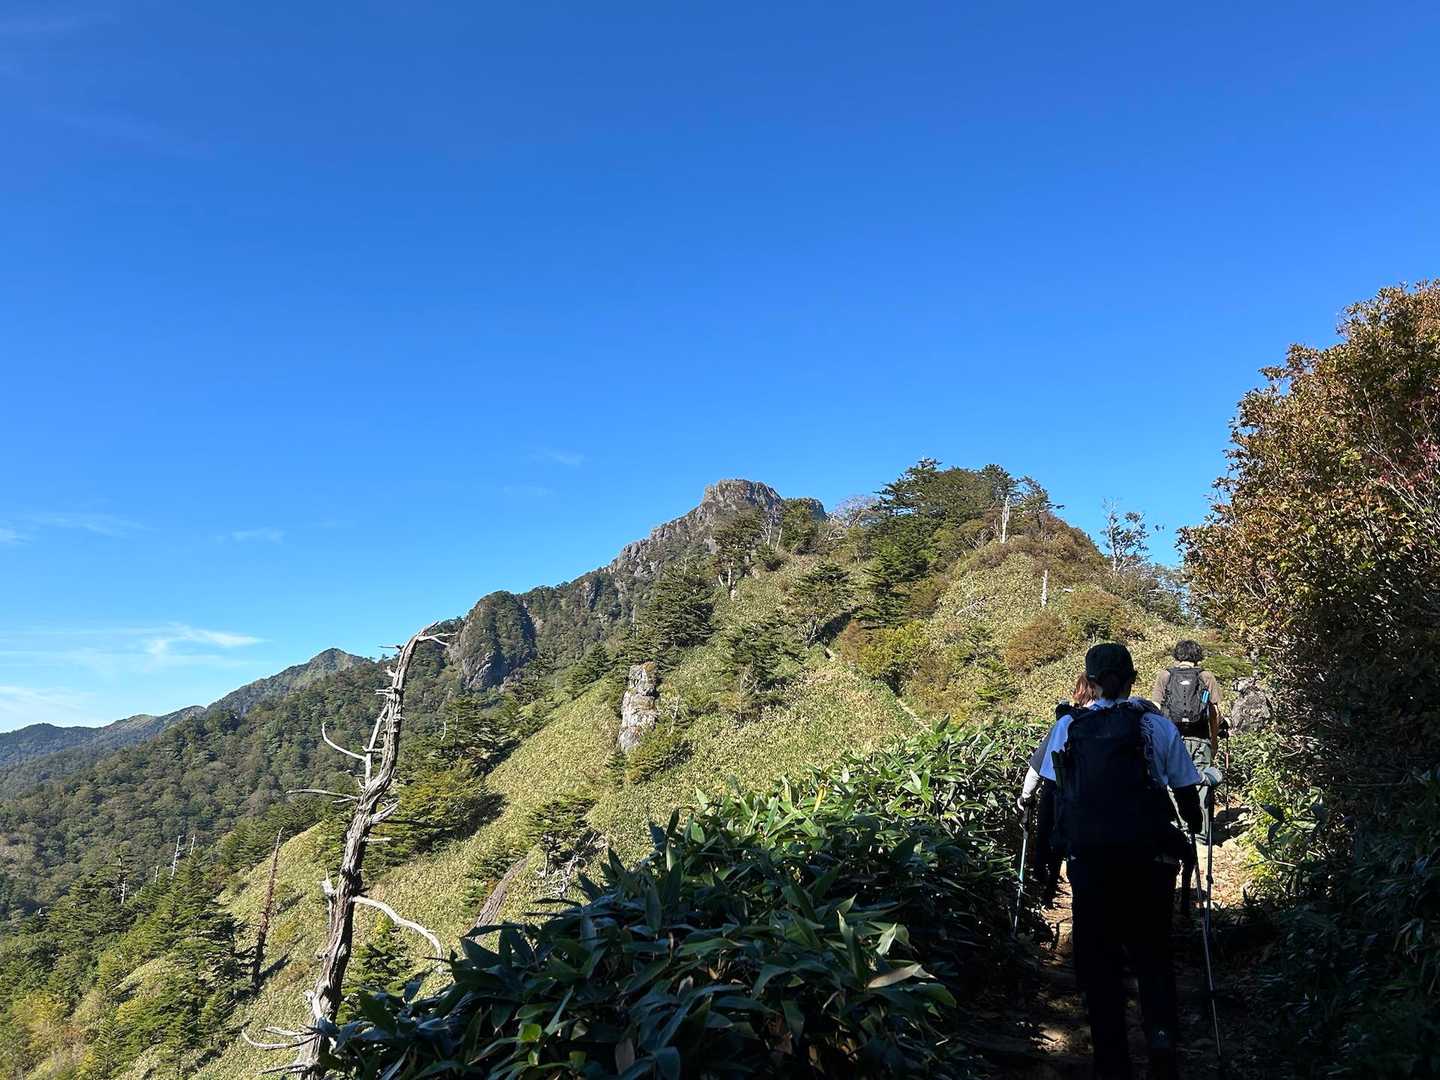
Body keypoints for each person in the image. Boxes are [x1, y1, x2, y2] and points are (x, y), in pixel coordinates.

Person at [1029, 642, 1204, 1080]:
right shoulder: (1156, 725)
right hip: (1150, 859)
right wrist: (1193, 822)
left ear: (1089, 681)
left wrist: (1045, 857)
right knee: (1152, 955)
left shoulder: (1068, 726)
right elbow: (1186, 793)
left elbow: (1049, 792)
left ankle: (1111, 1059)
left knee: (1099, 961)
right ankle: (1161, 1047)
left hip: (1090, 862)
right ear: (1132, 679)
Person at [1018, 672, 1100, 905]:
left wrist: (1025, 796)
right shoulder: (1113, 720)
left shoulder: (1066, 721)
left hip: (1058, 790)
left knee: (1051, 834)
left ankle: (1046, 884)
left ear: (1080, 692)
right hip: (1092, 795)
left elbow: (1037, 767)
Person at [1153, 640, 1224, 842]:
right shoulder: (1206, 676)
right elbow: (1214, 713)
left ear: (1177, 655)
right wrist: (1214, 741)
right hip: (1201, 739)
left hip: (1172, 741)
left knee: (1173, 783)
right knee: (1201, 782)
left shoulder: (1165, 675)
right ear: (1197, 655)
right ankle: (1200, 834)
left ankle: (1180, 830)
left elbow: (1156, 708)